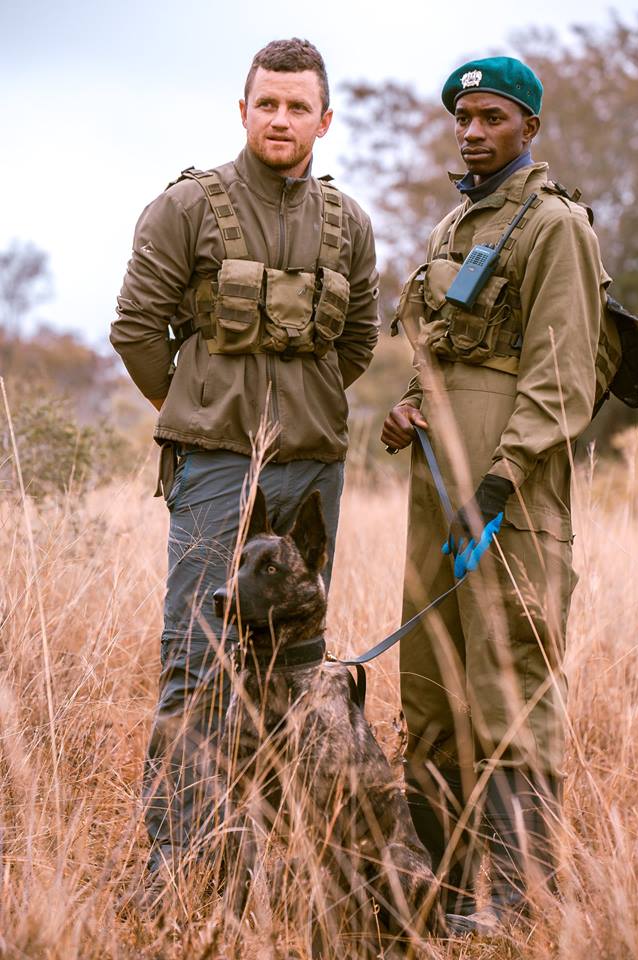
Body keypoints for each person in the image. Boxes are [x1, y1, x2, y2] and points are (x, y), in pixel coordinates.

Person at [111, 38, 379, 887]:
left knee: (297, 662)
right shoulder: (186, 207)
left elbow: (359, 340)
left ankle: (279, 856)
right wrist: (196, 411)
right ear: (243, 110)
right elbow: (135, 329)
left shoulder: (350, 222)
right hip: (218, 466)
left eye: (299, 106)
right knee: (198, 656)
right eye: (267, 103)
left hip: (314, 469)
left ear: (324, 121)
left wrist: (306, 407)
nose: (281, 119)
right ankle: (182, 861)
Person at [381, 56, 609, 933]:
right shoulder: (453, 225)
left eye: (493, 117)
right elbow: (435, 349)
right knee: (431, 684)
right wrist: (407, 406)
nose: (473, 131)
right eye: (464, 117)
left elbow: (562, 375)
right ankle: (438, 895)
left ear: (530, 129)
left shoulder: (556, 226)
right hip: (436, 486)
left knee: (510, 684)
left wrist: (500, 479)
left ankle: (517, 907)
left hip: (510, 494)